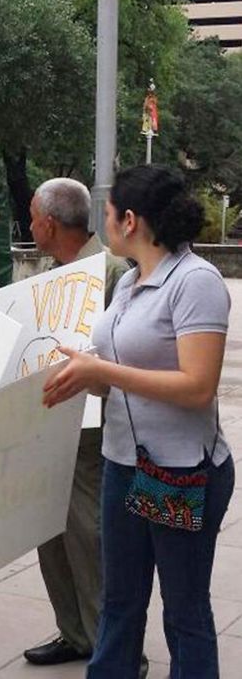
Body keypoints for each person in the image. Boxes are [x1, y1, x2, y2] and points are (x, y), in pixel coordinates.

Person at [43, 165, 234, 679]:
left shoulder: (196, 282)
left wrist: (101, 369)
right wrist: (80, 374)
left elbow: (198, 386)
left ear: (130, 220)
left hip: (180, 471)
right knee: (119, 600)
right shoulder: (128, 281)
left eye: (106, 214)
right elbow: (119, 378)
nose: (101, 222)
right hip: (123, 464)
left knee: (183, 609)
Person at [21, 179, 129, 668]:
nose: (29, 225)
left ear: (49, 221)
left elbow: (123, 356)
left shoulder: (109, 273)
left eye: (32, 216)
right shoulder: (53, 273)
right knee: (50, 531)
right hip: (50, 423)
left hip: (94, 433)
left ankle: (113, 645)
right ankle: (75, 632)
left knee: (89, 539)